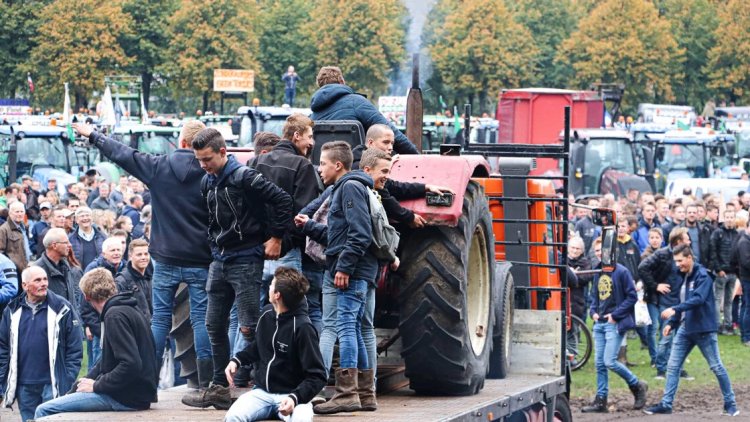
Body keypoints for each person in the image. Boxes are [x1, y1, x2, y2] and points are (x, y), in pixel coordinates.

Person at [73, 121, 215, 394]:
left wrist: (94, 135)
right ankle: (205, 382)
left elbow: (124, 154)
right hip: (200, 258)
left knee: (159, 320)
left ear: (182, 142)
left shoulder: (160, 166)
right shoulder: (209, 170)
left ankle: (147, 381)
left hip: (165, 257)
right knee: (201, 320)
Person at [182, 128, 293, 410]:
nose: (203, 165)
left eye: (207, 159)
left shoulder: (245, 176)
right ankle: (219, 386)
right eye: (199, 160)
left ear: (222, 152)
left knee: (248, 326)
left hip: (245, 258)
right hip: (220, 259)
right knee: (213, 324)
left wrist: (276, 237)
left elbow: (282, 200)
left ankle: (265, 386)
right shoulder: (209, 181)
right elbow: (212, 219)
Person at [34, 268, 159, 418]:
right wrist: (79, 385)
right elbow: (105, 361)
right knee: (64, 400)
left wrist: (96, 385)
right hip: (139, 394)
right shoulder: (130, 309)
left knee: (43, 410)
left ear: (86, 297)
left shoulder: (115, 316)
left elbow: (131, 364)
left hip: (127, 398)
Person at [308, 141, 377, 415]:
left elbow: (360, 233)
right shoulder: (346, 187)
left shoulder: (349, 187)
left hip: (353, 271)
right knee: (356, 328)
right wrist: (311, 228)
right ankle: (365, 393)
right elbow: (339, 236)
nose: (319, 168)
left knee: (346, 327)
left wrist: (344, 267)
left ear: (338, 165)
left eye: (323, 163)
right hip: (355, 268)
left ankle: (347, 393)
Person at [644, 245, 739, 416]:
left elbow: (697, 299)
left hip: (703, 330)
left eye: (680, 260)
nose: (677, 264)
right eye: (676, 261)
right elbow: (683, 300)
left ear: (689, 258)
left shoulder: (703, 276)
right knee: (672, 367)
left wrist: (674, 310)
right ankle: (666, 404)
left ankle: (730, 404)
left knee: (716, 367)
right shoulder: (683, 276)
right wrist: (672, 323)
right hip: (685, 329)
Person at [224, 268, 327, 422]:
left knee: (301, 420)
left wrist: (295, 398)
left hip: (293, 396)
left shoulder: (303, 328)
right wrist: (237, 360)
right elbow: (258, 347)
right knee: (233, 417)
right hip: (261, 393)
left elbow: (318, 376)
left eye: (271, 285)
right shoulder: (266, 314)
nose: (269, 288)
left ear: (277, 295)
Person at [251, 113, 321, 331]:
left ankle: (252, 363)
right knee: (292, 316)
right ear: (297, 136)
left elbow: (248, 208)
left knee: (253, 315)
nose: (312, 143)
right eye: (310, 137)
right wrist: (280, 242)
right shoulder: (303, 166)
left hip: (256, 251)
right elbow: (302, 215)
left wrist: (262, 241)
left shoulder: (255, 162)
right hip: (287, 251)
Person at [0, 266, 82, 422]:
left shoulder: (62, 308)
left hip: (52, 383)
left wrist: (67, 377)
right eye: (37, 280)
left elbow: (75, 348)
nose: (44, 283)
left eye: (45, 279)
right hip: (24, 385)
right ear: (25, 285)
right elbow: (3, 348)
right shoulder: (11, 310)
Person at [582, 238, 648, 413]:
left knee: (609, 361)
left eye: (602, 251)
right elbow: (594, 295)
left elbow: (632, 296)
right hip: (599, 323)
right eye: (597, 251)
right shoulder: (598, 271)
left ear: (612, 253)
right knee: (599, 364)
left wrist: (615, 315)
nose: (599, 254)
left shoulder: (622, 272)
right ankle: (601, 400)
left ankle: (637, 385)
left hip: (614, 323)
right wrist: (593, 312)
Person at [310, 66, 418, 155]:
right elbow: (390, 132)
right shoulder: (357, 102)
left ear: (320, 87)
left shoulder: (312, 117)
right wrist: (416, 156)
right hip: (357, 171)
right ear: (342, 81)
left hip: (321, 173)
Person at [639, 227, 693, 380]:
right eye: (686, 238)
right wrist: (656, 285)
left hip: (681, 302)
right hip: (666, 301)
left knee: (680, 339)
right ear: (678, 242)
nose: (689, 241)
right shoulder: (662, 254)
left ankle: (678, 368)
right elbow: (642, 268)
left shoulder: (688, 254)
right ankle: (661, 369)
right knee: (667, 337)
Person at [82, 237, 125, 371]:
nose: (116, 253)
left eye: (118, 250)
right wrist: (99, 331)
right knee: (99, 367)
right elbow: (85, 305)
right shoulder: (93, 270)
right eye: (112, 250)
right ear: (103, 253)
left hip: (121, 326)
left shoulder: (126, 268)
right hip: (100, 329)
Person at [32, 228, 82, 313]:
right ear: (54, 246)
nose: (70, 245)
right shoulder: (36, 270)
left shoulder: (66, 265)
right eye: (66, 242)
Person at [711, 209, 738, 334]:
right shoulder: (717, 233)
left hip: (733, 273)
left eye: (731, 217)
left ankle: (728, 324)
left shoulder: (737, 234)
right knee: (717, 299)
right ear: (724, 218)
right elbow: (713, 252)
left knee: (729, 300)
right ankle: (716, 325)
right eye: (727, 216)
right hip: (721, 272)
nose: (729, 219)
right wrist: (718, 269)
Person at [115, 238, 153, 321]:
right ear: (130, 256)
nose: (143, 257)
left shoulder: (152, 277)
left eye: (146, 254)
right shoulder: (122, 281)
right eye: (139, 254)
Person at [732, 218, 750, 346]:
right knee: (747, 307)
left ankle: (746, 335)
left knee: (746, 306)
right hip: (747, 278)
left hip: (746, 278)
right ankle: (746, 336)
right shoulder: (744, 242)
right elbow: (746, 262)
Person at [0, 202, 31, 272]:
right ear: (10, 213)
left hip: (26, 268)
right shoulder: (3, 229)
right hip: (13, 270)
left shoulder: (25, 227)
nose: (19, 214)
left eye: (21, 211)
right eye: (17, 212)